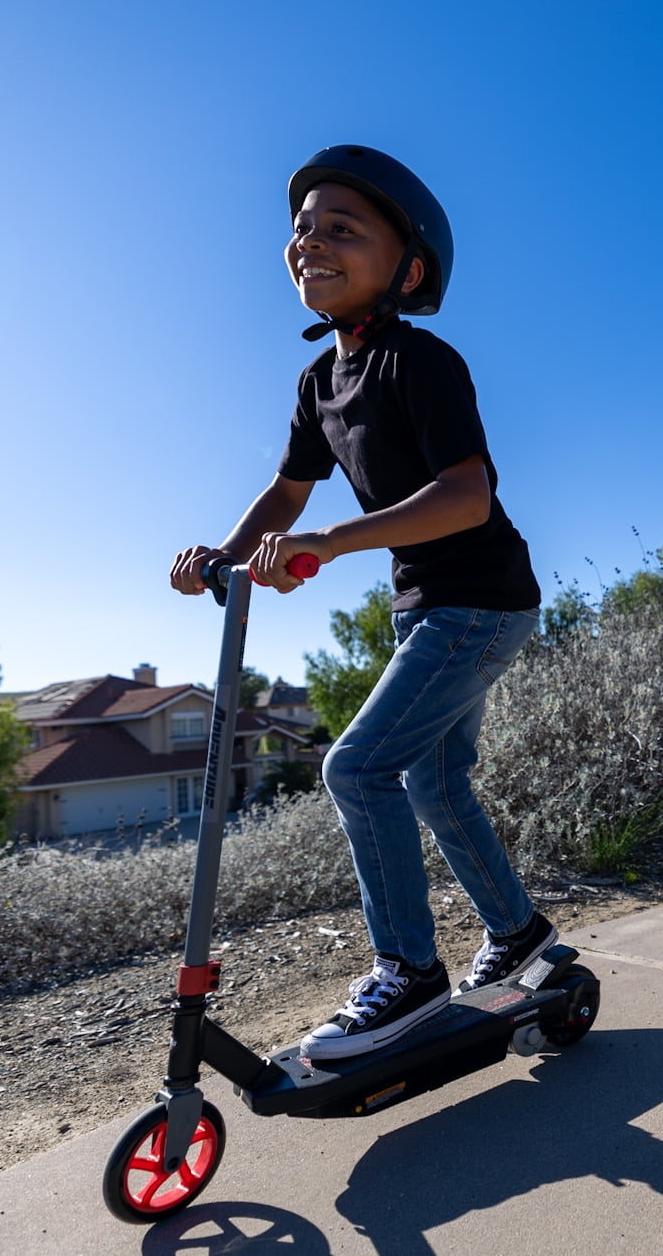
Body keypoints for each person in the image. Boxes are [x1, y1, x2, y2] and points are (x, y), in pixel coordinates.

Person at [170, 145, 553, 1061]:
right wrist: (224, 556)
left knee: (356, 768)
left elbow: (468, 496)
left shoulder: (421, 363)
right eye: (303, 227)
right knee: (432, 779)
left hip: (479, 600)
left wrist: (333, 542)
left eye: (342, 229)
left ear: (407, 270)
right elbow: (287, 491)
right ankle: (520, 934)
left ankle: (409, 972)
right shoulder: (319, 383)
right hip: (431, 608)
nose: (312, 241)